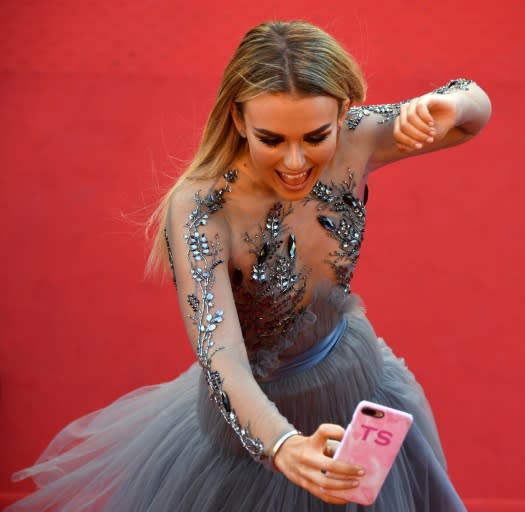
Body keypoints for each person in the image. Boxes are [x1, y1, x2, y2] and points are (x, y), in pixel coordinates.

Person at [9, 20, 491, 511]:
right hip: (255, 421)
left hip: (361, 382)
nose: (295, 160)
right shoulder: (201, 209)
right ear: (238, 121)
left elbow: (473, 110)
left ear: (344, 113)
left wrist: (449, 105)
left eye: (315, 135)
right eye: (272, 139)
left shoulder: (357, 138)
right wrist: (283, 446)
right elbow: (222, 359)